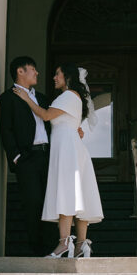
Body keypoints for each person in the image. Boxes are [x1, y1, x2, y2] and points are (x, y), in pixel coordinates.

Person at [14, 62, 103, 258]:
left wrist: (25, 99)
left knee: (67, 193)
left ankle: (64, 244)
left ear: (68, 77)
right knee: (78, 196)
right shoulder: (70, 97)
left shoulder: (69, 96)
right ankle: (80, 246)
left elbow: (46, 116)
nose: (54, 77)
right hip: (69, 146)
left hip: (67, 150)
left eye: (57, 74)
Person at [0, 56, 51, 257]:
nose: (37, 73)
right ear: (20, 71)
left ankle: (51, 248)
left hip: (48, 157)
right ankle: (36, 250)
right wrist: (16, 157)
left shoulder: (44, 99)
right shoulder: (7, 99)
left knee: (50, 201)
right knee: (33, 203)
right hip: (27, 159)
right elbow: (6, 130)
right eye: (33, 69)